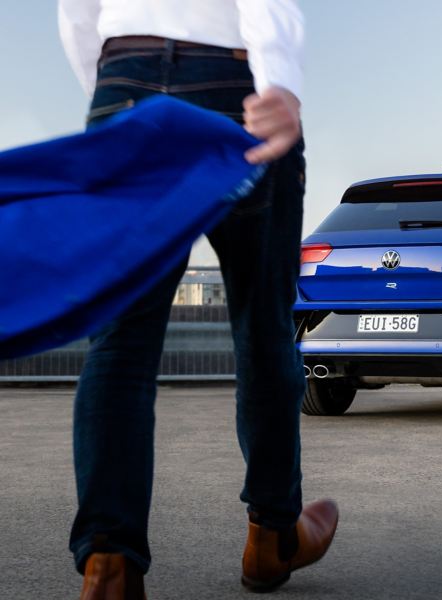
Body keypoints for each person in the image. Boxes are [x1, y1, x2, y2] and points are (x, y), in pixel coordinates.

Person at [57, 1, 338, 598]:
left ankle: (109, 566)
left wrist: (115, 93)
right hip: (229, 85)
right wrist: (280, 81)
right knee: (262, 326)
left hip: (120, 80)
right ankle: (272, 537)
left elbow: (76, 11)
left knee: (120, 341)